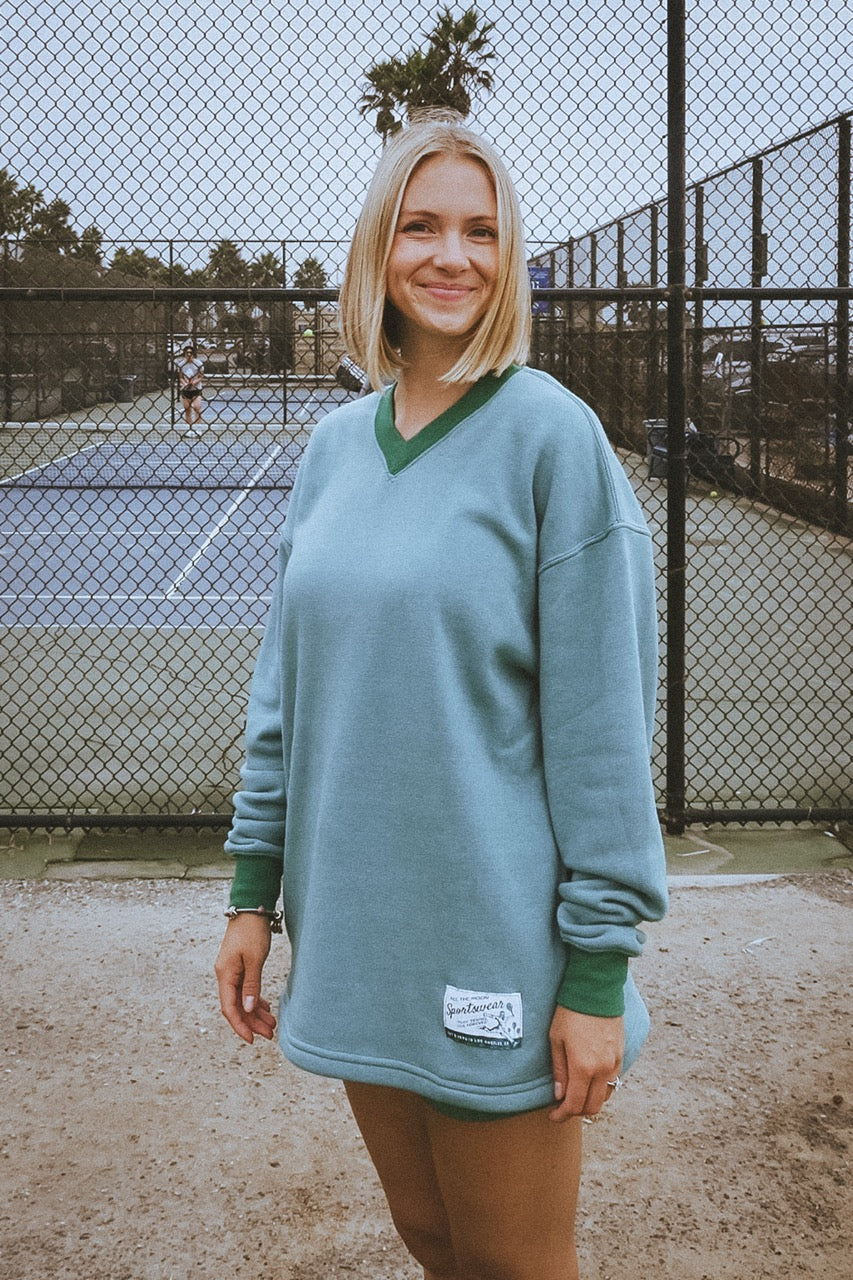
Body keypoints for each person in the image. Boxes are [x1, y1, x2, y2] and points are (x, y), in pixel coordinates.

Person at [215, 112, 668, 1280]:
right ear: (380, 247)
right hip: (361, 933)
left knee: (517, 1263)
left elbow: (603, 735)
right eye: (421, 225)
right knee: (434, 1244)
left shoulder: (553, 440)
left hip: (497, 945)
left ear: (509, 254)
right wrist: (250, 893)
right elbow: (286, 695)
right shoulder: (330, 450)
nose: (451, 255)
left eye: (480, 229)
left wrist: (597, 970)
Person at [177, 344, 204, 431]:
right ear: (184, 354)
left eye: (190, 353)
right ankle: (189, 429)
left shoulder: (199, 364)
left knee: (197, 407)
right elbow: (181, 377)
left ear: (193, 354)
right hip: (186, 390)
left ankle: (198, 428)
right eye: (187, 353)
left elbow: (200, 377)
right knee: (187, 409)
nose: (189, 354)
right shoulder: (181, 365)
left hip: (196, 389)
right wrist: (185, 384)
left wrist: (193, 383)